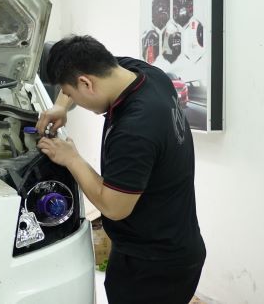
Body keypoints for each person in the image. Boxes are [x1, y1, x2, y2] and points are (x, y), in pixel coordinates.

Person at [35, 35, 205, 304]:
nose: (71, 99)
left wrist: (72, 159)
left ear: (86, 83)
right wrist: (60, 106)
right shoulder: (146, 75)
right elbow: (83, 69)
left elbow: (114, 208)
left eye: (70, 93)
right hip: (173, 243)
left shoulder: (134, 130)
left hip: (153, 268)